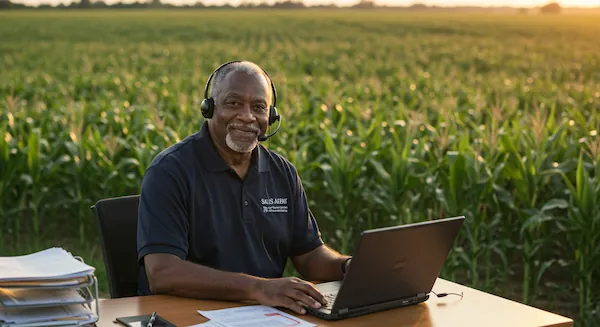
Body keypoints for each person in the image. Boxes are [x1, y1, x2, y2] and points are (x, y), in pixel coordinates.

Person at [136, 60, 352, 315]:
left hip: (264, 316)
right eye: (234, 103)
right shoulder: (170, 171)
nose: (247, 117)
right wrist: (259, 288)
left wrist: (349, 266)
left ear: (271, 117)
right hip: (186, 316)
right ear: (209, 108)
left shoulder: (282, 172)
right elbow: (163, 273)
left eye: (259, 107)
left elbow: (309, 256)